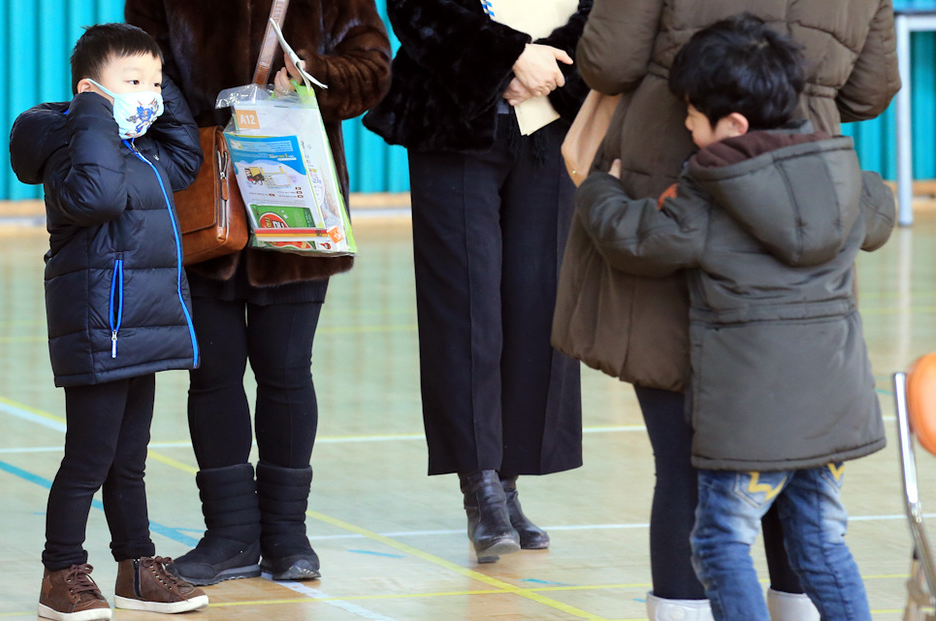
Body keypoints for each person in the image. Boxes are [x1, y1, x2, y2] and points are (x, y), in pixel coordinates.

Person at [554, 1, 900, 617]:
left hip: (668, 174)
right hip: (810, 162)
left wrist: (597, 188)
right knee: (811, 515)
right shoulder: (850, 184)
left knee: (692, 477)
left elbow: (607, 61)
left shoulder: (698, 200)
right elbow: (870, 92)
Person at [124, 0, 392, 585]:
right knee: (213, 372)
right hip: (202, 197)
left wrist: (314, 75)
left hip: (298, 195)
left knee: (287, 368)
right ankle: (230, 534)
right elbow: (135, 68)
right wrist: (198, 124)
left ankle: (288, 534)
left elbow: (374, 67)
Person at [363, 0, 589, 563]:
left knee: (540, 309)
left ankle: (510, 480)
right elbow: (420, 12)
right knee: (464, 307)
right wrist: (510, 57)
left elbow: (609, 14)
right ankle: (480, 485)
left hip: (555, 123)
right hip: (454, 120)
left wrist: (551, 67)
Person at [9, 22, 209, 621]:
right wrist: (94, 112)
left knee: (130, 459)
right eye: (134, 81)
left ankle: (137, 569)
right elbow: (95, 198)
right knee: (88, 459)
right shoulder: (74, 148)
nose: (148, 91)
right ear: (93, 90)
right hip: (99, 326)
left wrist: (159, 86)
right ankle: (61, 571)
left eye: (155, 80)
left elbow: (187, 156)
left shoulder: (147, 150)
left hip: (140, 325)